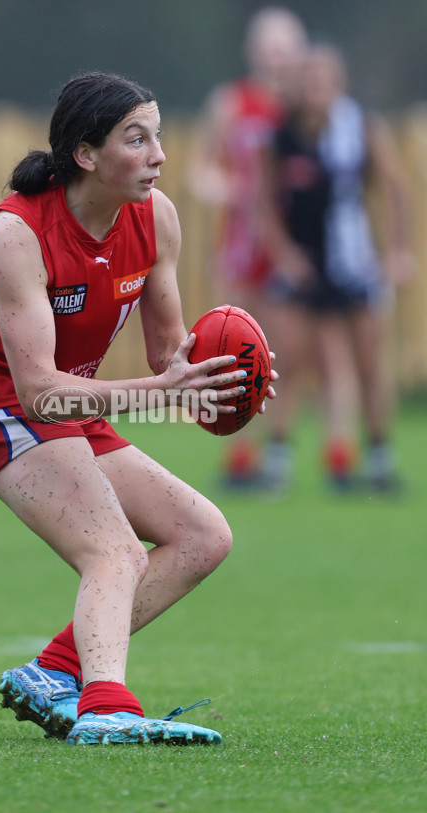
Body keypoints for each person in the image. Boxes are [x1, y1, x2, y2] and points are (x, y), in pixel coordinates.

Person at [0, 72, 277, 745]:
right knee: (114, 550)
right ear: (86, 154)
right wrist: (164, 392)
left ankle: (54, 671)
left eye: (158, 137)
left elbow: (167, 355)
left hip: (68, 405)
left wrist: (226, 375)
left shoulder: (157, 219)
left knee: (205, 535)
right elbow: (37, 391)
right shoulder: (17, 232)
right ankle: (105, 706)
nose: (159, 155)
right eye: (137, 138)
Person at [264, 44, 413, 491]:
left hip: (352, 261)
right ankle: (277, 463)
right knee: (286, 360)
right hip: (304, 264)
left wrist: (397, 252)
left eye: (325, 80)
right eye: (310, 79)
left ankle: (381, 461)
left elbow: (396, 191)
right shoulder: (281, 135)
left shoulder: (362, 129)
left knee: (369, 363)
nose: (317, 88)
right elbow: (264, 206)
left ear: (339, 84)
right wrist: (284, 254)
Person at [188, 7, 307, 489]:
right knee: (232, 350)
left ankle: (278, 451)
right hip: (240, 245)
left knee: (286, 350)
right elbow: (201, 169)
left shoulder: (303, 109)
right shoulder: (230, 103)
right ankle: (238, 454)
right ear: (253, 50)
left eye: (285, 47)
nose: (276, 57)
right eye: (268, 46)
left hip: (289, 244)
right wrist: (233, 191)